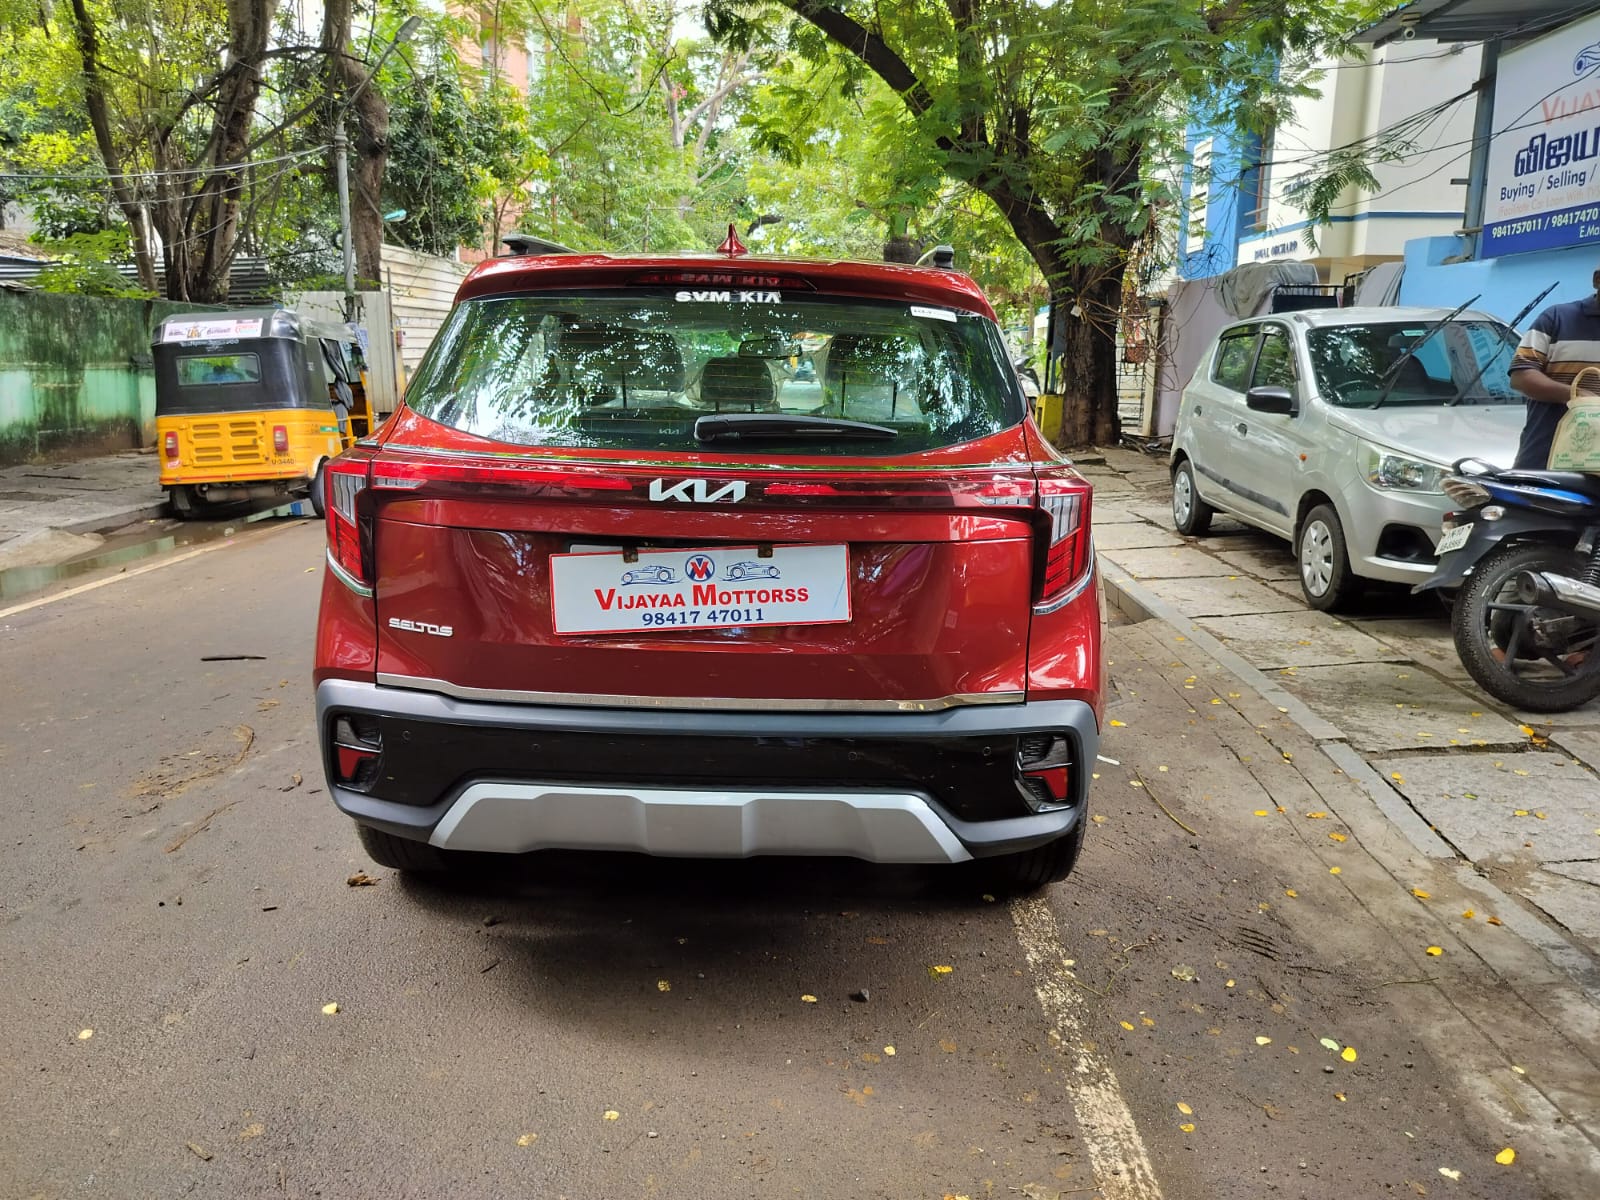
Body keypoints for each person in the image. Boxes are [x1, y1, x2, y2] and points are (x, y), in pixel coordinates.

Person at [1508, 268, 1600, 468]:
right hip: (1546, 458)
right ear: (1597, 279)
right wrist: (1576, 395)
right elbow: (1521, 376)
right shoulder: (1557, 318)